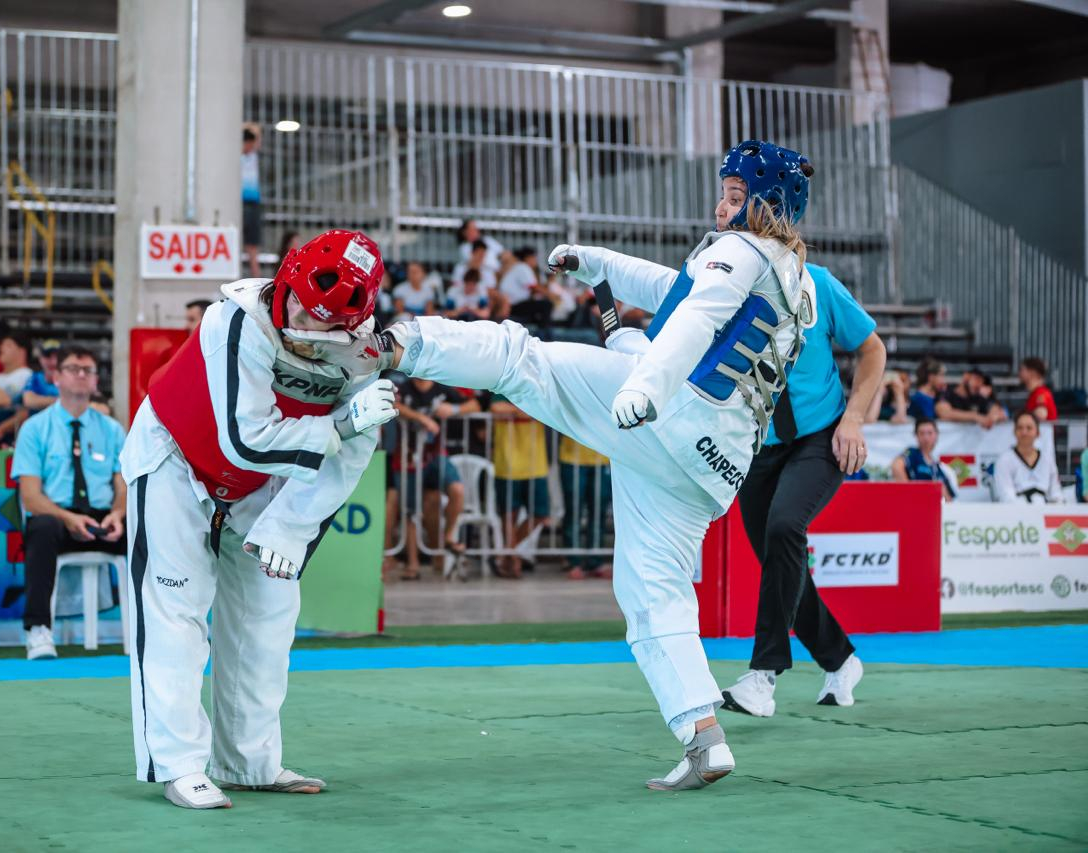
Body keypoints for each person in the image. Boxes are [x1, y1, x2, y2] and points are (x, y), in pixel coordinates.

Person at [303, 139, 818, 793]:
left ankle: (393, 342)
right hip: (711, 467)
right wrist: (600, 265)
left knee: (523, 360)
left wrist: (646, 387)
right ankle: (702, 736)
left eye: (737, 197)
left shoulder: (741, 251)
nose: (722, 206)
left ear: (771, 206)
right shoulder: (797, 283)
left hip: (668, 417)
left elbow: (692, 318)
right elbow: (676, 291)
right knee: (652, 589)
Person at [120, 230, 396, 809]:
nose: (304, 318)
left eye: (325, 322)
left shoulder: (364, 354)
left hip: (263, 483)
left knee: (269, 617)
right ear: (287, 278)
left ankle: (249, 762)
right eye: (299, 302)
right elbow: (244, 438)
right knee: (174, 611)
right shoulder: (234, 320)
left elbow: (346, 462)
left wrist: (290, 531)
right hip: (176, 456)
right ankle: (179, 765)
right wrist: (342, 425)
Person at [721, 255, 886, 719]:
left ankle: (763, 676)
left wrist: (853, 419)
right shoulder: (721, 284)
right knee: (781, 560)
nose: (722, 209)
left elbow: (873, 350)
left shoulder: (818, 283)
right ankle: (841, 659)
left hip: (822, 435)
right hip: (757, 444)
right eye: (724, 199)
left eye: (735, 200)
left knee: (784, 527)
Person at [11, 346, 128, 660]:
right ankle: (38, 630)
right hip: (58, 517)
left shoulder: (112, 430)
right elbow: (31, 497)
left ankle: (153, 627)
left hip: (104, 517)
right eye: (74, 368)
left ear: (94, 382)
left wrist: (118, 513)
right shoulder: (35, 429)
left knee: (143, 526)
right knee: (41, 525)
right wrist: (67, 518)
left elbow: (123, 484)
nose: (81, 375)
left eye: (88, 371)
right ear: (56, 377)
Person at [388, 377, 478, 580]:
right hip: (407, 457)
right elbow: (394, 404)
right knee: (410, 512)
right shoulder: (403, 387)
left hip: (436, 454)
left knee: (457, 489)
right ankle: (413, 563)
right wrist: (421, 418)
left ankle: (448, 538)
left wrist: (453, 410)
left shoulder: (442, 388)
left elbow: (474, 404)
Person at [489, 393, 551, 579]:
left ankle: (507, 554)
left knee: (540, 514)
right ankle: (510, 557)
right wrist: (524, 410)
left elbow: (548, 409)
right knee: (509, 514)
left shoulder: (539, 387)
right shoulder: (501, 385)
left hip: (536, 462)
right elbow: (495, 408)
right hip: (507, 462)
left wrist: (515, 412)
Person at [558, 435, 612, 579]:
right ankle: (573, 561)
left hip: (602, 457)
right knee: (574, 511)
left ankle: (595, 561)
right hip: (572, 458)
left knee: (599, 511)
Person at [992, 411, 1062, 503]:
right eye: (1020, 428)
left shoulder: (1047, 459)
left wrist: (1055, 504)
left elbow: (1055, 491)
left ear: (1037, 432)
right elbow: (1006, 495)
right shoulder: (1004, 460)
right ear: (1014, 431)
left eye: (1029, 428)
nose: (1024, 432)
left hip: (1045, 509)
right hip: (1016, 511)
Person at [0, 330, 35, 448]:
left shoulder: (29, 376)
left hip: (15, 439)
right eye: (2, 345)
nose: (1, 348)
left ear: (22, 351)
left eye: (8, 345)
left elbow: (26, 410)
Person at [891, 418, 958, 501]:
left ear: (936, 435)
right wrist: (909, 494)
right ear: (916, 436)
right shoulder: (912, 453)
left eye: (930, 433)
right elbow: (896, 466)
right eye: (922, 433)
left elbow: (949, 499)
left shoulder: (939, 468)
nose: (926, 438)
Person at [935, 367, 1004, 428]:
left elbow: (999, 411)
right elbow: (944, 413)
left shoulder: (978, 398)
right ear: (966, 376)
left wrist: (992, 418)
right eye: (976, 379)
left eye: (981, 382)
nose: (978, 384)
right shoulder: (947, 393)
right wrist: (975, 417)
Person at [242, 123, 263, 278]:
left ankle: (256, 277)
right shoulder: (236, 155)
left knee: (252, 245)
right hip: (240, 203)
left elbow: (256, 128)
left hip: (253, 203)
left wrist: (247, 128)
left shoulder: (253, 155)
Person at [21, 339, 62, 411]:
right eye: (48, 356)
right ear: (40, 358)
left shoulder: (71, 378)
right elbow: (28, 401)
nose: (53, 362)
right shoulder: (35, 378)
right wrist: (63, 401)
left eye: (58, 357)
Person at [1018, 356, 1058, 422]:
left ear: (1033, 372)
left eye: (1022, 370)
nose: (1019, 373)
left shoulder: (1041, 393)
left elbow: (1041, 414)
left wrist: (1021, 417)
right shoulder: (1035, 393)